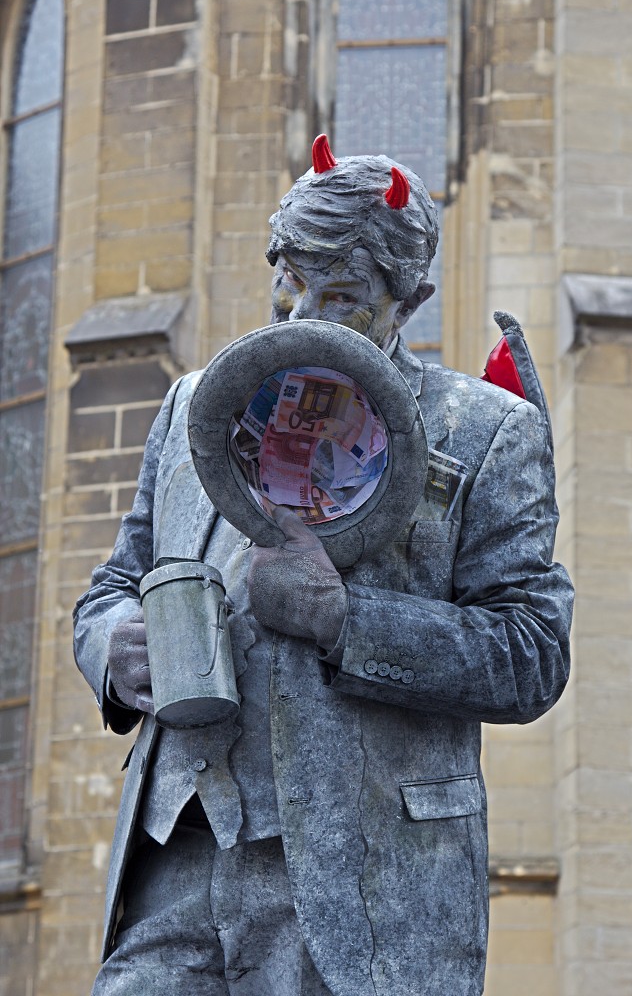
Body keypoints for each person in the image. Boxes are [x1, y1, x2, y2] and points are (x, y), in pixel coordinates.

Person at [73, 136, 573, 996]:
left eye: (339, 297)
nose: (303, 316)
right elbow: (114, 582)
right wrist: (112, 646)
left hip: (364, 890)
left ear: (405, 301)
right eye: (288, 291)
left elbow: (531, 652)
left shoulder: (489, 431)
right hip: (177, 869)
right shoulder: (195, 404)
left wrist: (348, 621)